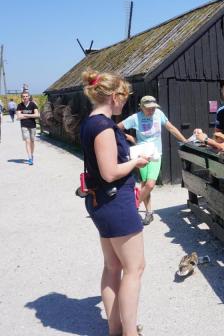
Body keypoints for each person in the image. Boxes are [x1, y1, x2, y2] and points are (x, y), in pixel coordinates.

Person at [80, 69, 149, 336]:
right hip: (115, 202)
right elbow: (110, 172)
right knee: (135, 268)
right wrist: (135, 162)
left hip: (100, 201)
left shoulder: (91, 122)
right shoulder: (104, 127)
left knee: (112, 267)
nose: (125, 102)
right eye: (123, 97)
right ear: (113, 96)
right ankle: (130, 333)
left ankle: (116, 328)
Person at [118, 96, 187, 226]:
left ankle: (132, 206)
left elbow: (171, 128)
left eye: (153, 108)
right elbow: (116, 128)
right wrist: (129, 138)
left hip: (156, 153)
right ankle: (149, 213)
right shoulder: (135, 118)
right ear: (141, 107)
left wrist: (185, 141)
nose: (152, 111)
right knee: (145, 184)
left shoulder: (159, 114)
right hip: (142, 154)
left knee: (150, 184)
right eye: (148, 108)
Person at [16, 91, 39, 165]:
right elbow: (19, 117)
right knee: (27, 141)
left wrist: (25, 115)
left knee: (32, 141)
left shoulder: (33, 105)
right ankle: (29, 158)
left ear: (29, 97)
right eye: (23, 96)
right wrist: (30, 115)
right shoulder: (20, 105)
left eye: (26, 96)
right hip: (24, 126)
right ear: (22, 97)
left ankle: (32, 155)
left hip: (32, 125)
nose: (25, 97)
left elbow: (37, 115)